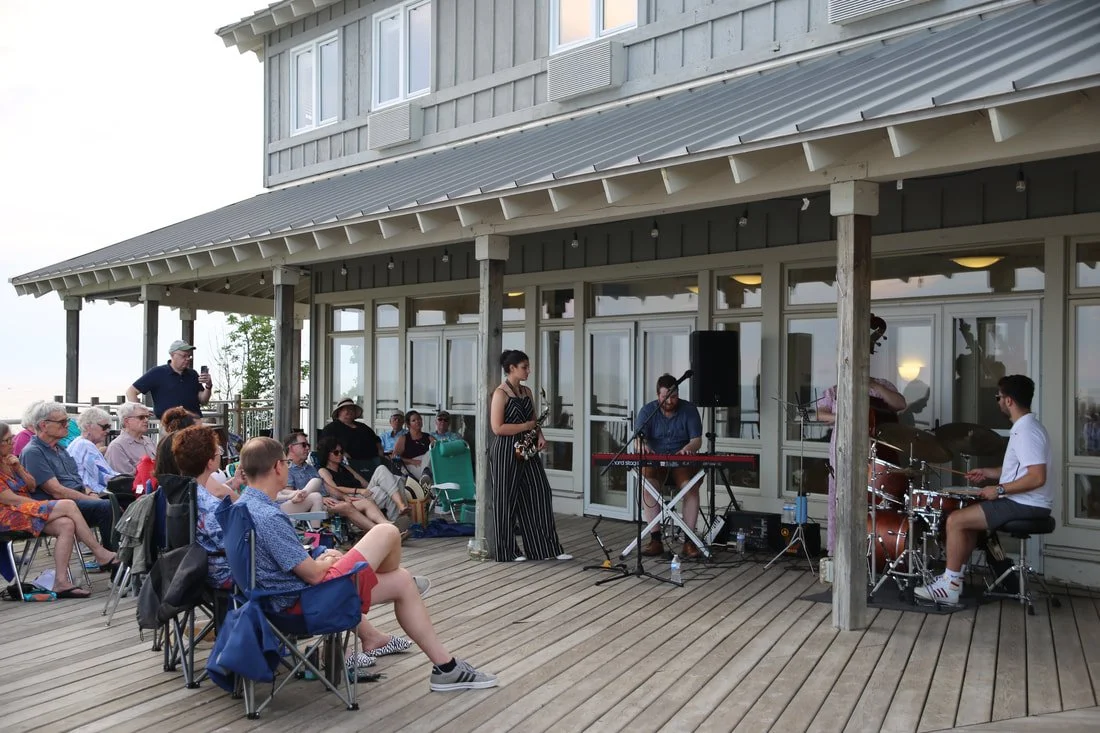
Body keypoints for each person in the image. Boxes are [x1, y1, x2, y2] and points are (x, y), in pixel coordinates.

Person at [236, 437, 498, 689]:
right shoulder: (269, 516)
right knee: (387, 533)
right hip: (306, 601)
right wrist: (326, 559)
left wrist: (320, 557)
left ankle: (446, 668)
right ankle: (383, 572)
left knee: (402, 581)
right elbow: (314, 576)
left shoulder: (245, 506)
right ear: (277, 467)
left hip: (285, 597)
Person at [915, 375, 1053, 604]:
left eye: (998, 397)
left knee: (955, 520)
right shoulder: (1027, 427)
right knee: (966, 523)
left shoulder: (1028, 432)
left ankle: (949, 587)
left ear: (1008, 401)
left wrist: (998, 490)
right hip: (1024, 501)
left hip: (1026, 504)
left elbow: (1037, 477)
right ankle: (953, 582)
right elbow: (1021, 470)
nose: (997, 402)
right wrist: (989, 473)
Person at [0, 422, 118, 598]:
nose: (12, 443)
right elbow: (9, 498)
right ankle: (99, 552)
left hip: (24, 510)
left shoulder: (9, 460)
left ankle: (61, 582)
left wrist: (18, 468)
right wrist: (40, 505)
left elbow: (31, 486)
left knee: (66, 524)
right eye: (7, 440)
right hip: (8, 515)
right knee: (68, 504)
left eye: (11, 439)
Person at [489, 350, 570, 563]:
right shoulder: (500, 393)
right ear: (512, 368)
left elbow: (534, 418)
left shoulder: (526, 391)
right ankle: (508, 551)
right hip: (506, 449)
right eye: (524, 367)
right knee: (506, 500)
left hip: (527, 447)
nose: (528, 370)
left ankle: (545, 548)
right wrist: (526, 427)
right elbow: (497, 428)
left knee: (540, 492)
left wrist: (540, 435)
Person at [817, 377, 906, 556]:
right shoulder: (835, 389)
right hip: (843, 449)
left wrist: (876, 386)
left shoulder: (883, 385)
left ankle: (877, 551)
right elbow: (820, 413)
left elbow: (900, 404)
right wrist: (846, 417)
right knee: (842, 499)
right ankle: (841, 550)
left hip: (876, 450)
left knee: (876, 500)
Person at [19, 402, 117, 552]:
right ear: (44, 425)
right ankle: (112, 559)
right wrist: (90, 498)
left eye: (68, 421)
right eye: (63, 422)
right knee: (107, 507)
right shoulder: (33, 452)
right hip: (57, 505)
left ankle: (130, 558)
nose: (68, 426)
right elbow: (56, 491)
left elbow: (78, 479)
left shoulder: (61, 449)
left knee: (123, 500)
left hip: (76, 499)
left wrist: (90, 492)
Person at [634, 373, 704, 559]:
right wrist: (643, 447)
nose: (670, 401)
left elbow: (697, 440)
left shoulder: (689, 409)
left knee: (691, 488)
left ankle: (689, 541)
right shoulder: (647, 411)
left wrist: (688, 449)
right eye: (665, 397)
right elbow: (637, 440)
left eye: (673, 396)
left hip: (681, 462)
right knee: (648, 487)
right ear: (658, 395)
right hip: (655, 462)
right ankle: (655, 539)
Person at [315, 436, 395, 532]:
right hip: (350, 496)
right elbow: (334, 489)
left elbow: (363, 482)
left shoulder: (345, 467)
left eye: (341, 452)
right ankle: (389, 525)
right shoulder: (323, 471)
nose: (340, 455)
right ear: (326, 454)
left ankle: (392, 521)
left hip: (360, 493)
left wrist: (372, 489)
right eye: (336, 452)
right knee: (387, 489)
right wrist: (358, 491)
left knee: (393, 482)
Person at [126, 340, 212, 418]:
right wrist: (139, 413)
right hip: (169, 425)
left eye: (189, 356)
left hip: (194, 424)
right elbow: (131, 392)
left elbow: (203, 400)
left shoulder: (193, 374)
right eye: (184, 356)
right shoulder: (157, 373)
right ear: (172, 355)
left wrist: (208, 386)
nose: (187, 359)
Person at [321, 398, 383, 473]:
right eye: (347, 409)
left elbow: (377, 440)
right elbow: (325, 446)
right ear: (339, 411)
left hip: (373, 461)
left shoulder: (363, 427)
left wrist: (380, 453)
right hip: (349, 465)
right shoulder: (331, 428)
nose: (350, 411)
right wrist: (342, 453)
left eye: (352, 409)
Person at [67, 407, 119, 495]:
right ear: (88, 426)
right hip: (93, 493)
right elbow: (102, 475)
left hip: (86, 491)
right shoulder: (85, 445)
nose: (107, 431)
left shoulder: (78, 442)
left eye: (109, 427)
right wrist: (128, 480)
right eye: (104, 427)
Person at [105, 401, 156, 475]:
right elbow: (124, 479)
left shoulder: (148, 440)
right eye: (141, 417)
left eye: (147, 417)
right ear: (126, 421)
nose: (146, 420)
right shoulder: (117, 446)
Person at [393, 411, 434, 484]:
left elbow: (438, 450)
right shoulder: (403, 438)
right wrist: (411, 461)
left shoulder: (429, 437)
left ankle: (426, 475)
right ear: (408, 424)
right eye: (414, 420)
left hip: (428, 466)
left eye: (419, 419)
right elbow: (395, 457)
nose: (417, 421)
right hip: (412, 466)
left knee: (431, 452)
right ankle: (426, 476)